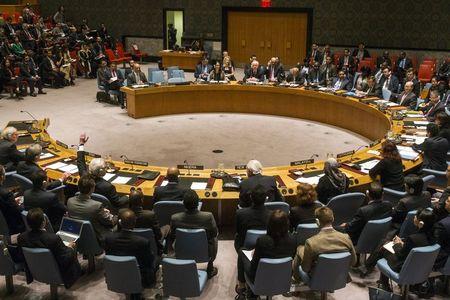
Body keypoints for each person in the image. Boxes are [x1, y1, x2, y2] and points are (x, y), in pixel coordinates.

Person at [236, 210, 296, 299]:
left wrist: (254, 254)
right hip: (283, 278)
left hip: (258, 278)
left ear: (270, 224)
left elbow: (254, 267)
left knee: (241, 251)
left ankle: (242, 287)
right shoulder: (293, 239)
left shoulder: (262, 241)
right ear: (287, 224)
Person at [18, 208, 82, 288]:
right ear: (43, 222)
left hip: (35, 271)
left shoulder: (21, 238)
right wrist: (71, 247)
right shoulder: (53, 239)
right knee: (72, 248)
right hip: (58, 272)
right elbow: (66, 258)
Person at [377, 209, 436, 292]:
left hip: (404, 268)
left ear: (421, 223)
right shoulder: (434, 238)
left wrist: (397, 244)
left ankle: (384, 284)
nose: (414, 217)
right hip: (422, 267)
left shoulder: (413, 238)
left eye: (416, 217)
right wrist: (403, 244)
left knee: (385, 249)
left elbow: (400, 255)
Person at [292, 206, 356, 280]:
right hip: (338, 275)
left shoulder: (311, 242)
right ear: (333, 219)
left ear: (317, 222)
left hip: (318, 278)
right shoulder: (346, 238)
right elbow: (353, 262)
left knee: (300, 248)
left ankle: (296, 279)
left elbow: (305, 269)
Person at [170, 190, 218, 278]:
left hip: (182, 250)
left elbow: (172, 236)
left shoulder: (175, 218)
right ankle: (210, 269)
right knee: (214, 238)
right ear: (197, 203)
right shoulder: (208, 216)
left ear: (183, 204)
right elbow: (214, 233)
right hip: (204, 251)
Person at [104, 209, 156, 288]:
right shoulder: (143, 242)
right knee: (157, 260)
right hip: (139, 275)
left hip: (116, 272)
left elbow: (109, 255)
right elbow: (149, 261)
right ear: (134, 223)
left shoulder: (108, 239)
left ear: (120, 222)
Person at [76, 133, 129, 208]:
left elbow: (80, 161)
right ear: (102, 172)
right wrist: (128, 196)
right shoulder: (108, 187)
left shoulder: (84, 176)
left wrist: (81, 144)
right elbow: (118, 202)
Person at [67, 175, 117, 242]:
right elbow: (110, 222)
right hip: (96, 239)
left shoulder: (69, 201)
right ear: (92, 189)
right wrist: (115, 216)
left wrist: (101, 212)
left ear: (78, 187)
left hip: (77, 236)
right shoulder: (97, 206)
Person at [234, 184, 271, 251]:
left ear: (251, 197)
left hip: (244, 247)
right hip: (267, 246)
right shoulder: (272, 215)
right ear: (266, 198)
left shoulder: (240, 213)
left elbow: (238, 231)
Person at [127, 187, 163, 253]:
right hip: (149, 247)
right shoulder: (150, 215)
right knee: (167, 227)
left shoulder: (123, 214)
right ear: (142, 200)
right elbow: (159, 235)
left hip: (130, 247)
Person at [0, 165, 25, 234]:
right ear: (2, 177)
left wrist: (12, 201)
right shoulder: (7, 193)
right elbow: (16, 210)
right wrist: (21, 205)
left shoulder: (6, 193)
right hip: (12, 224)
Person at [434, 196, 450, 269]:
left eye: (448, 201)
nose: (445, 202)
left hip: (443, 260)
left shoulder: (443, 224)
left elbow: (434, 244)